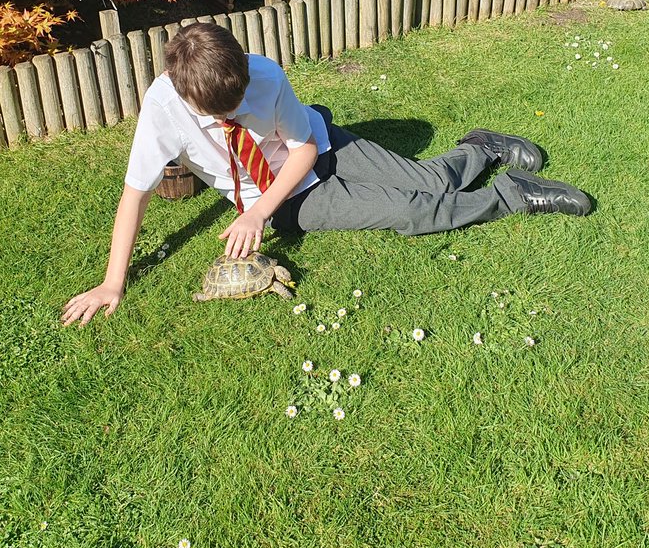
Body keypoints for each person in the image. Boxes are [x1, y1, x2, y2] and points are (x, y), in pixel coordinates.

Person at [61, 22, 591, 327]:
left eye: (243, 102)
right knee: (412, 211)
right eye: (223, 116)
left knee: (428, 180)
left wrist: (255, 215)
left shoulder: (264, 74)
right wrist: (112, 283)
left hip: (314, 147)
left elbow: (305, 148)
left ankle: (480, 147)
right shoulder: (162, 108)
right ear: (186, 97)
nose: (239, 112)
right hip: (287, 199)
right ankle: (511, 194)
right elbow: (135, 196)